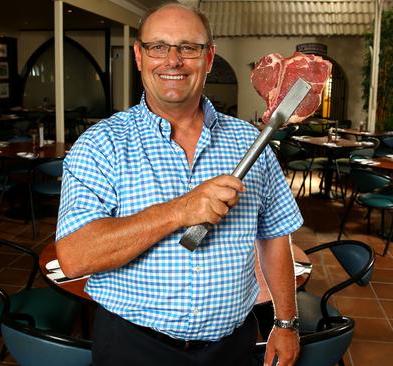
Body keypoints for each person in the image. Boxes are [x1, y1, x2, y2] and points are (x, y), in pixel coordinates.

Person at [56, 3, 303, 365]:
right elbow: (75, 258)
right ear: (139, 56)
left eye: (189, 48)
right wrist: (178, 212)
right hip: (133, 347)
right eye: (158, 47)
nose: (173, 60)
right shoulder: (101, 144)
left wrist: (285, 321)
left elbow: (275, 236)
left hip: (232, 345)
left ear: (209, 57)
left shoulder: (251, 142)